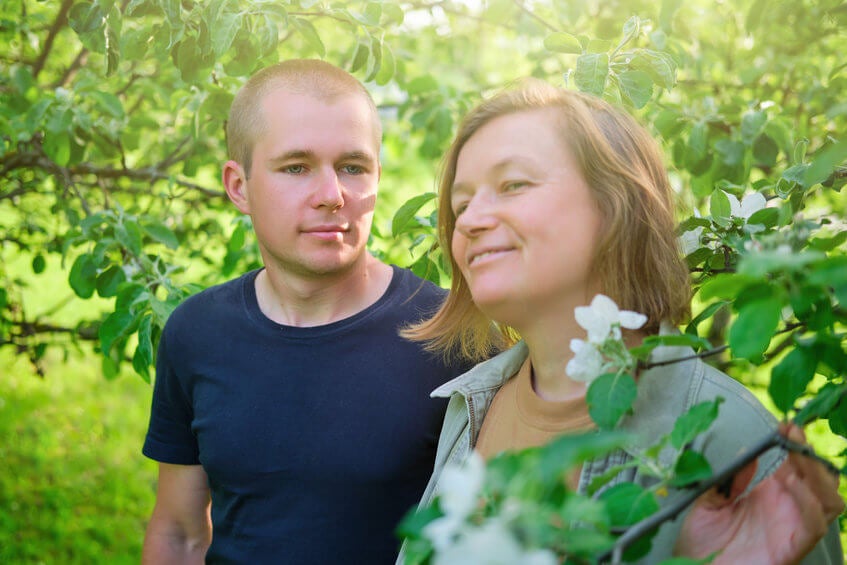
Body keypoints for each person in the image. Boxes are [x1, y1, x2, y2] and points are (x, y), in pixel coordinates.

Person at [401, 78, 844, 563]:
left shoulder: (735, 442)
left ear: (615, 205)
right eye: (461, 204)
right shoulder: (470, 406)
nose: (468, 221)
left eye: (513, 185)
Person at [141, 59, 471, 564]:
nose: (332, 196)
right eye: (296, 167)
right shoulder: (196, 333)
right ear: (239, 186)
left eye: (353, 167)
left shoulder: (448, 335)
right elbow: (180, 533)